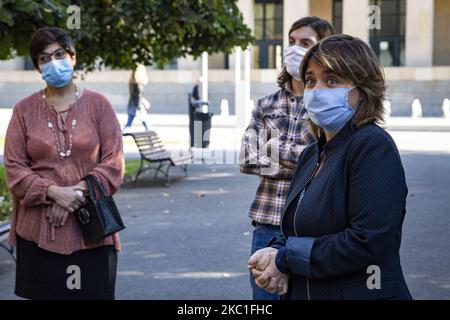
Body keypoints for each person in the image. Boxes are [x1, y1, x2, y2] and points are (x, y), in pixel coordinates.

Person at [248, 34, 412, 300]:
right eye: (310, 81)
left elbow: (368, 242)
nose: (316, 90)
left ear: (363, 89)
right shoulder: (312, 153)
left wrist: (285, 259)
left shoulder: (372, 146)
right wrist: (273, 250)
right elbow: (297, 229)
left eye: (332, 80)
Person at [4, 27, 124, 300]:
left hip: (92, 229)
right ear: (37, 67)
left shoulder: (99, 105)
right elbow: (14, 166)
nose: (53, 62)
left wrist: (77, 193)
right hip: (38, 232)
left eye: (59, 54)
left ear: (73, 57)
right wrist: (53, 192)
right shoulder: (23, 110)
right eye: (44, 58)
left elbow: (114, 162)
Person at [239, 16, 335, 300]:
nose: (295, 49)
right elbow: (246, 158)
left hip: (312, 229)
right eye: (291, 42)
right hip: (268, 224)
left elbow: (329, 160)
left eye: (305, 43)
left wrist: (273, 150)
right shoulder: (266, 104)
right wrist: (306, 160)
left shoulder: (329, 102)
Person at [122, 64, 151, 133]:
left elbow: (136, 96)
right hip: (137, 106)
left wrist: (143, 101)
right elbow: (138, 96)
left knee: (129, 124)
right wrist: (140, 107)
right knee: (146, 123)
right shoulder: (138, 85)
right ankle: (150, 138)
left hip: (132, 105)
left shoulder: (132, 83)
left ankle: (121, 135)